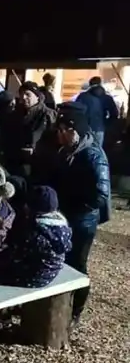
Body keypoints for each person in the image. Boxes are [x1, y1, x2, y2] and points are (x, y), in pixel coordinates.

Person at [51, 110, 110, 328]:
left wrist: (75, 204)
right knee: (61, 261)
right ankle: (60, 307)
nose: (59, 134)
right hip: (66, 215)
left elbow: (101, 194)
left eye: (63, 130)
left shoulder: (93, 155)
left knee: (77, 265)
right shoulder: (65, 151)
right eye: (58, 130)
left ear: (75, 130)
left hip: (83, 220)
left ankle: (75, 310)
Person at [0, 186, 71, 288]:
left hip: (34, 277)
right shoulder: (61, 224)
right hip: (52, 271)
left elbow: (18, 255)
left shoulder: (36, 233)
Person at [1, 81, 57, 177]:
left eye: (28, 94)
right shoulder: (15, 114)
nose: (24, 97)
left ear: (37, 96)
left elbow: (53, 140)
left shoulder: (48, 115)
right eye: (21, 94)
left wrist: (36, 150)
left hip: (38, 164)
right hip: (14, 162)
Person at [75, 76, 119, 147]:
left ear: (90, 84)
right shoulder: (107, 98)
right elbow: (114, 114)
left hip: (84, 129)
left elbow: (76, 112)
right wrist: (105, 124)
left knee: (83, 150)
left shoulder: (82, 96)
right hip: (99, 129)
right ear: (101, 84)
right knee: (97, 150)